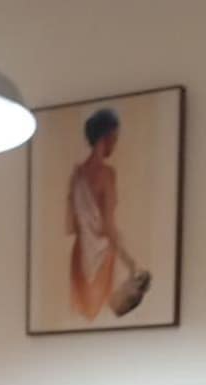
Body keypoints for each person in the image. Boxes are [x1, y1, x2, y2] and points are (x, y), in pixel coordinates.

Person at [66, 106, 147, 320]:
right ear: (106, 138)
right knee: (102, 309)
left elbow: (70, 226)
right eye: (115, 138)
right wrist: (130, 263)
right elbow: (109, 227)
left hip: (79, 254)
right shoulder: (107, 175)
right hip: (102, 256)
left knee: (84, 311)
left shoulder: (76, 175)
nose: (115, 144)